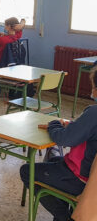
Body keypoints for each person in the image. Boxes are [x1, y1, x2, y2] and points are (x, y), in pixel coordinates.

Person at [20, 67, 97, 221]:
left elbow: (64, 140)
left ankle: (64, 217)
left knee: (27, 171)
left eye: (93, 87)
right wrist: (72, 125)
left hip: (80, 179)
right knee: (53, 161)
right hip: (90, 178)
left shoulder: (94, 112)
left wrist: (54, 124)